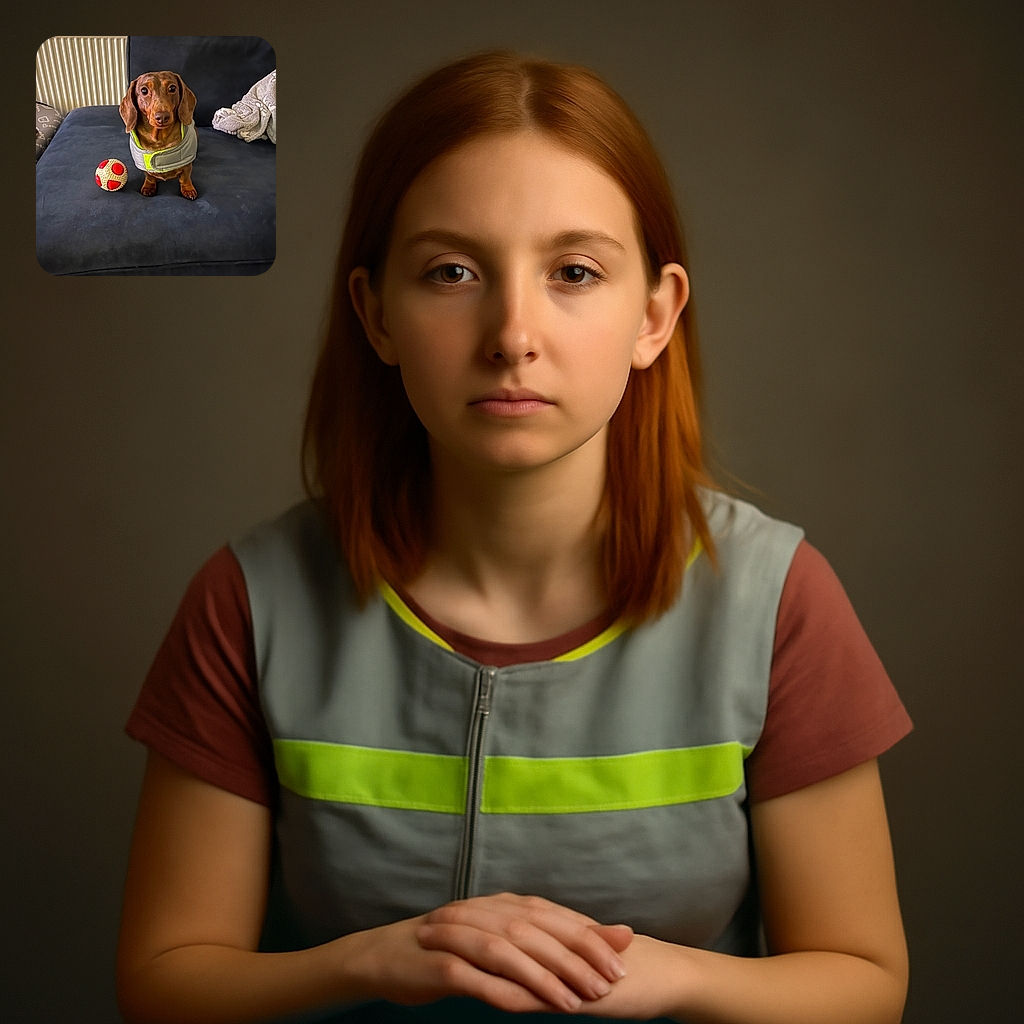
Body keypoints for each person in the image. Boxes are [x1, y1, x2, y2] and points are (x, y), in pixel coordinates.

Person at [116, 51, 912, 1023]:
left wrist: (663, 977)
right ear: (376, 313)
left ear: (654, 315)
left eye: (574, 272)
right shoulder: (251, 602)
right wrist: (373, 961)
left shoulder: (777, 600)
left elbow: (864, 982)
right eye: (451, 272)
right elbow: (164, 982)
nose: (512, 335)